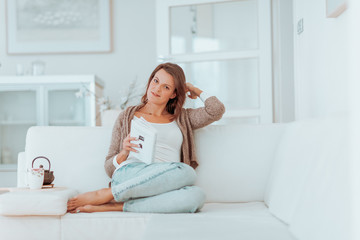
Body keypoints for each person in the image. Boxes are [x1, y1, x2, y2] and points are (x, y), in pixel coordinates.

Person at [67, 62, 225, 214]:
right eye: (155, 81)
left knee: (197, 196)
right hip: (130, 174)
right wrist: (123, 153)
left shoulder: (183, 117)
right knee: (187, 173)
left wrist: (193, 89)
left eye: (166, 87)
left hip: (165, 184)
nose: (157, 89)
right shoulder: (127, 116)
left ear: (174, 94)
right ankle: (105, 194)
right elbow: (109, 168)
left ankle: (115, 204)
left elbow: (216, 110)